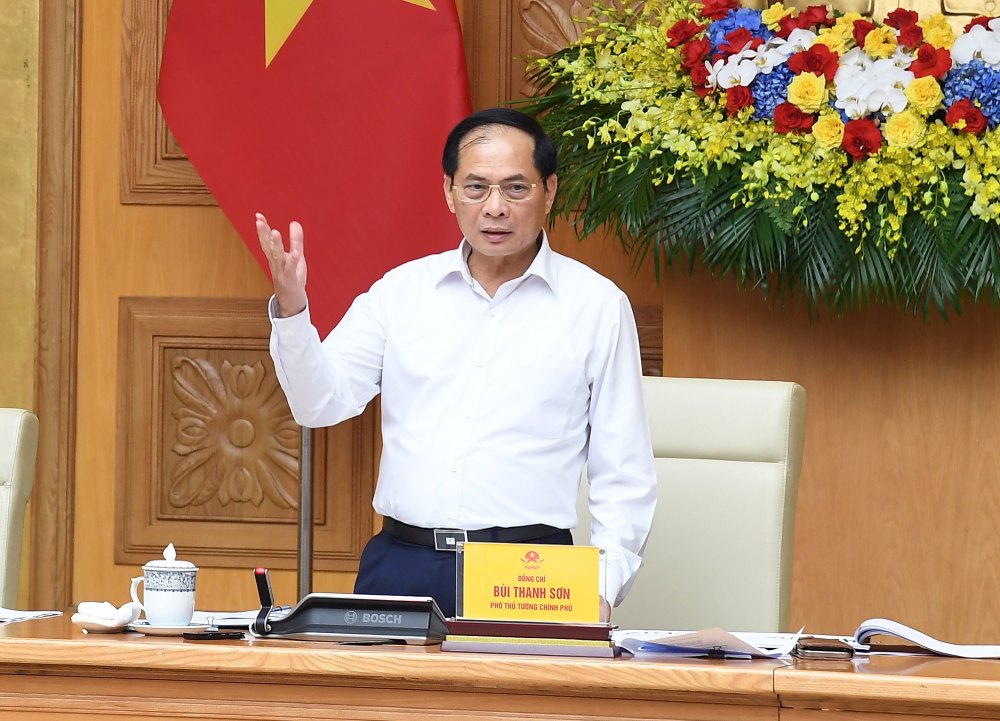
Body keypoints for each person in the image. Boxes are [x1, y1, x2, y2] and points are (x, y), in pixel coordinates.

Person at [256, 107, 656, 618]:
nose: (495, 208)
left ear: (549, 192)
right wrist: (293, 309)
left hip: (531, 574)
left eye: (516, 188)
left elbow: (624, 472)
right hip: (401, 565)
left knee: (516, 704)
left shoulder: (597, 306)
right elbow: (319, 405)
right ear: (449, 192)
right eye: (476, 188)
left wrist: (602, 583)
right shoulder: (401, 292)